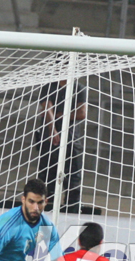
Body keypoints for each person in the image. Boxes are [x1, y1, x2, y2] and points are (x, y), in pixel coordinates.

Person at [37, 79, 87, 213]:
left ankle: (72, 213)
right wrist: (53, 129)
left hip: (71, 140)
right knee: (47, 179)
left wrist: (60, 115)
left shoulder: (79, 88)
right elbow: (47, 108)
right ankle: (44, 214)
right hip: (48, 140)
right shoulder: (49, 86)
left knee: (73, 181)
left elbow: (82, 113)